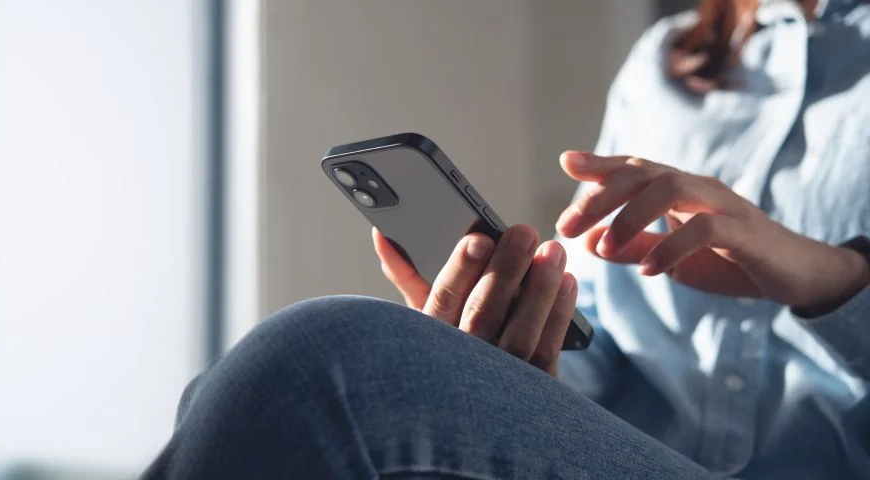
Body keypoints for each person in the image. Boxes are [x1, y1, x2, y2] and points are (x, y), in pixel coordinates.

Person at [143, 0, 870, 478]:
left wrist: (836, 277)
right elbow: (608, 351)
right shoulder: (664, 67)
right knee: (226, 397)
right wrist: (514, 350)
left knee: (325, 365)